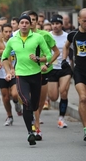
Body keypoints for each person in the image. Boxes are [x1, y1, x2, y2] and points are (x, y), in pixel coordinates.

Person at [2, 14, 51, 146]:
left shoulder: (38, 38)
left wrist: (39, 60)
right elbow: (4, 57)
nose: (24, 25)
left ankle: (32, 121)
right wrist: (9, 71)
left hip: (35, 74)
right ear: (18, 25)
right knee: (26, 101)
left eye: (26, 23)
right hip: (21, 75)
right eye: (21, 22)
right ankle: (30, 132)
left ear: (30, 25)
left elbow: (49, 55)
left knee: (34, 105)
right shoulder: (13, 40)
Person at [24, 10, 59, 139]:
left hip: (43, 72)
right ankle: (36, 128)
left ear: (37, 21)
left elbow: (56, 52)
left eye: (33, 19)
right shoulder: (19, 36)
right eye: (29, 19)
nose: (31, 22)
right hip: (26, 72)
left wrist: (47, 64)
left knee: (39, 102)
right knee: (28, 100)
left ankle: (36, 124)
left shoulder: (44, 35)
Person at [62, 8, 86, 141]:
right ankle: (85, 129)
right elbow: (66, 46)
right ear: (79, 20)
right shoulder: (73, 35)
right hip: (80, 71)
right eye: (85, 20)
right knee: (83, 98)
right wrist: (64, 60)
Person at [48, 14, 73, 129]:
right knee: (53, 97)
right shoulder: (47, 37)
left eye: (57, 23)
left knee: (63, 92)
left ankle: (61, 118)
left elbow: (74, 49)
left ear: (61, 24)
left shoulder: (68, 36)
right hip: (52, 68)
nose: (55, 26)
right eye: (53, 24)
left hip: (64, 68)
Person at [0, 23, 22, 126]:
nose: (8, 34)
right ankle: (9, 116)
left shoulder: (16, 42)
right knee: (6, 97)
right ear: (1, 32)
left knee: (15, 94)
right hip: (2, 73)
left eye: (9, 31)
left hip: (14, 72)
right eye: (5, 32)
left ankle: (16, 102)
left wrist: (15, 68)